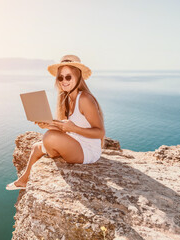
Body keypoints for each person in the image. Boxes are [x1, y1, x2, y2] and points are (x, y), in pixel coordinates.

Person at [6, 55, 105, 190]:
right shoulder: (67, 98)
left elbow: (100, 132)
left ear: (78, 76)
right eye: (60, 77)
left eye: (68, 77)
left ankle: (52, 154)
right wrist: (49, 124)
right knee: (36, 146)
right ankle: (23, 180)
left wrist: (73, 129)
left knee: (49, 137)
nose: (64, 81)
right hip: (76, 141)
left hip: (88, 150)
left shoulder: (85, 99)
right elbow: (68, 127)